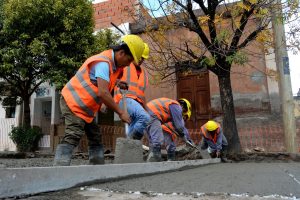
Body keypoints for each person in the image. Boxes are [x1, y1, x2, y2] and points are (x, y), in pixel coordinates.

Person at [54, 34, 145, 166]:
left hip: (85, 108)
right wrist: (121, 113)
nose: (128, 64)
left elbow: (103, 82)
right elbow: (103, 92)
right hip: (73, 102)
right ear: (121, 53)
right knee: (74, 133)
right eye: (129, 60)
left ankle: (97, 167)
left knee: (95, 136)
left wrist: (118, 83)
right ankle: (59, 168)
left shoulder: (115, 67)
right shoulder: (103, 63)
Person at [113, 43, 150, 140]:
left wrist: (145, 107)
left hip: (136, 104)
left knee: (134, 126)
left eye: (144, 58)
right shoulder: (124, 66)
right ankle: (132, 142)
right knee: (144, 117)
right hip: (124, 99)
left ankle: (128, 148)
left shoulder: (144, 73)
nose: (141, 60)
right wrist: (104, 104)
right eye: (140, 57)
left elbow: (141, 93)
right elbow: (111, 80)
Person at [146, 97, 192, 161]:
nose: (182, 117)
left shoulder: (171, 106)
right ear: (184, 108)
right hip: (153, 113)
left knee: (153, 139)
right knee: (157, 140)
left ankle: (151, 159)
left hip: (146, 111)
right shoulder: (176, 106)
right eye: (183, 115)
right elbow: (179, 127)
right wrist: (185, 137)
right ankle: (156, 160)